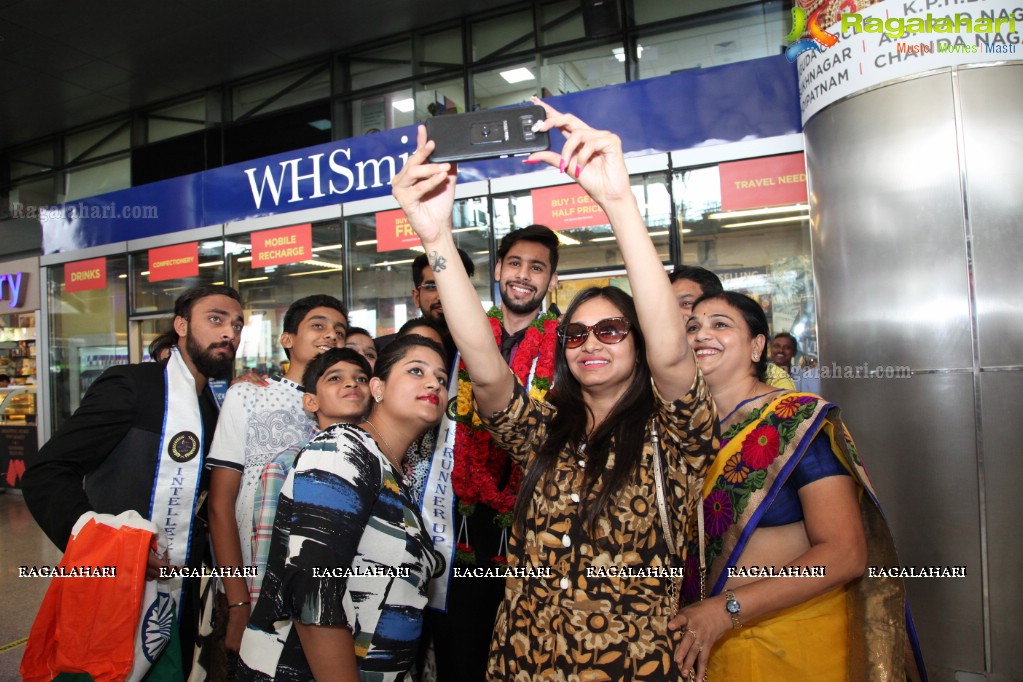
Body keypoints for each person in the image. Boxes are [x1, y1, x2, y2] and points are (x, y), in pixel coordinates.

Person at [393, 98, 718, 681]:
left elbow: (672, 353)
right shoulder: (544, 434)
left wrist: (617, 201)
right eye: (575, 333)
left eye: (612, 329)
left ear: (638, 343)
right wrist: (436, 238)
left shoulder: (672, 436)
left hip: (626, 667)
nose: (591, 341)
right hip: (520, 663)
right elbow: (487, 369)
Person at [673, 290, 926, 680]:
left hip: (795, 648)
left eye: (720, 324)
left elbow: (845, 553)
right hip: (710, 650)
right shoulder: (687, 436)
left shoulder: (795, 421)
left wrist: (727, 610)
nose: (701, 335)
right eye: (692, 327)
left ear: (757, 346)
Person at [22, 284, 245, 678]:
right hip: (110, 584)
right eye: (216, 319)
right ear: (180, 325)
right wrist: (108, 549)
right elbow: (47, 471)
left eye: (237, 324)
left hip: (179, 590)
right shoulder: (132, 386)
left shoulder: (218, 408)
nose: (229, 333)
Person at [236, 335, 448, 682]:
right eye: (416, 370)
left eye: (441, 378)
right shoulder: (342, 448)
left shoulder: (392, 470)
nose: (433, 383)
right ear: (377, 388)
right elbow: (312, 590)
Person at [207, 294, 348, 661]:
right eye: (318, 325)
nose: (331, 335)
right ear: (287, 339)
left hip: (325, 589)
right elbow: (220, 504)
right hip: (254, 586)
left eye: (340, 330)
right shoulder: (249, 395)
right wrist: (238, 601)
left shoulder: (350, 406)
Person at [249, 347, 372, 600]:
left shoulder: (383, 461)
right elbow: (267, 562)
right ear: (311, 401)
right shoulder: (284, 467)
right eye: (335, 378)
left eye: (361, 379)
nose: (352, 383)